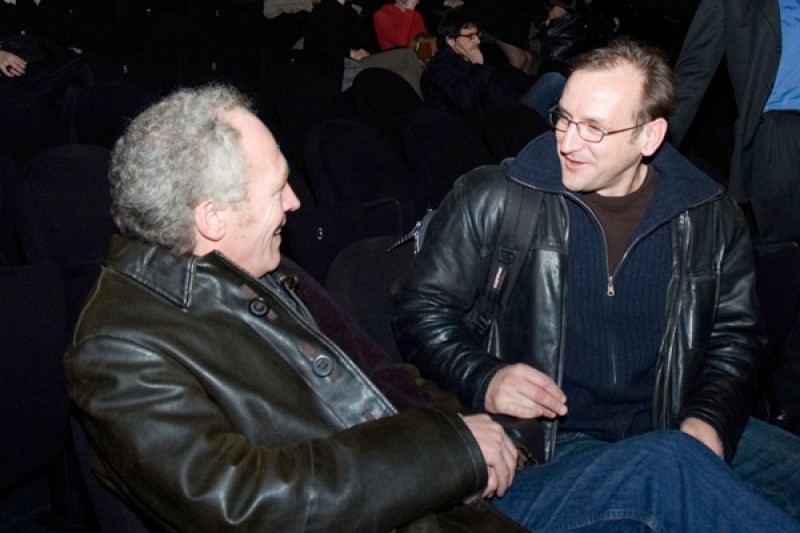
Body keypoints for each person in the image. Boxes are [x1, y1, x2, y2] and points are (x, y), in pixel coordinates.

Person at [64, 84, 800, 532]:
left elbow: (382, 382)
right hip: (431, 505)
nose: (296, 202)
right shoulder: (119, 347)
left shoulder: (251, 269)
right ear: (212, 217)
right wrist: (453, 446)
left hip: (446, 481)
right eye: (277, 188)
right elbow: (247, 506)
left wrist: (475, 403)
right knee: (665, 469)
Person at [392, 38, 800, 521]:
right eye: (563, 117)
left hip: (676, 418)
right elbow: (417, 310)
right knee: (665, 473)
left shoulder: (709, 215)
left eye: (594, 128)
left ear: (649, 138)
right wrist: (483, 376)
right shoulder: (496, 197)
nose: (567, 141)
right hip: (550, 441)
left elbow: (735, 337)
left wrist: (709, 420)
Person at [669, 0, 800, 436]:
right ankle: (761, 395)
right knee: (781, 273)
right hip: (780, 137)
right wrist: (650, 156)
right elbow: (692, 74)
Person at [422, 7, 565, 118]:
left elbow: (505, 88)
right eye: (470, 36)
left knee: (556, 74)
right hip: (500, 124)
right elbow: (465, 101)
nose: (477, 40)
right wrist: (477, 65)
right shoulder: (441, 67)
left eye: (477, 34)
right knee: (552, 81)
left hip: (513, 110)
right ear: (451, 40)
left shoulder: (476, 58)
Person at [304, 0, 424, 93]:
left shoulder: (351, 13)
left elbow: (366, 43)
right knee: (406, 54)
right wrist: (349, 52)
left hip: (362, 61)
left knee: (406, 72)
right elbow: (314, 51)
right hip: (341, 67)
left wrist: (365, 51)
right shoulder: (321, 12)